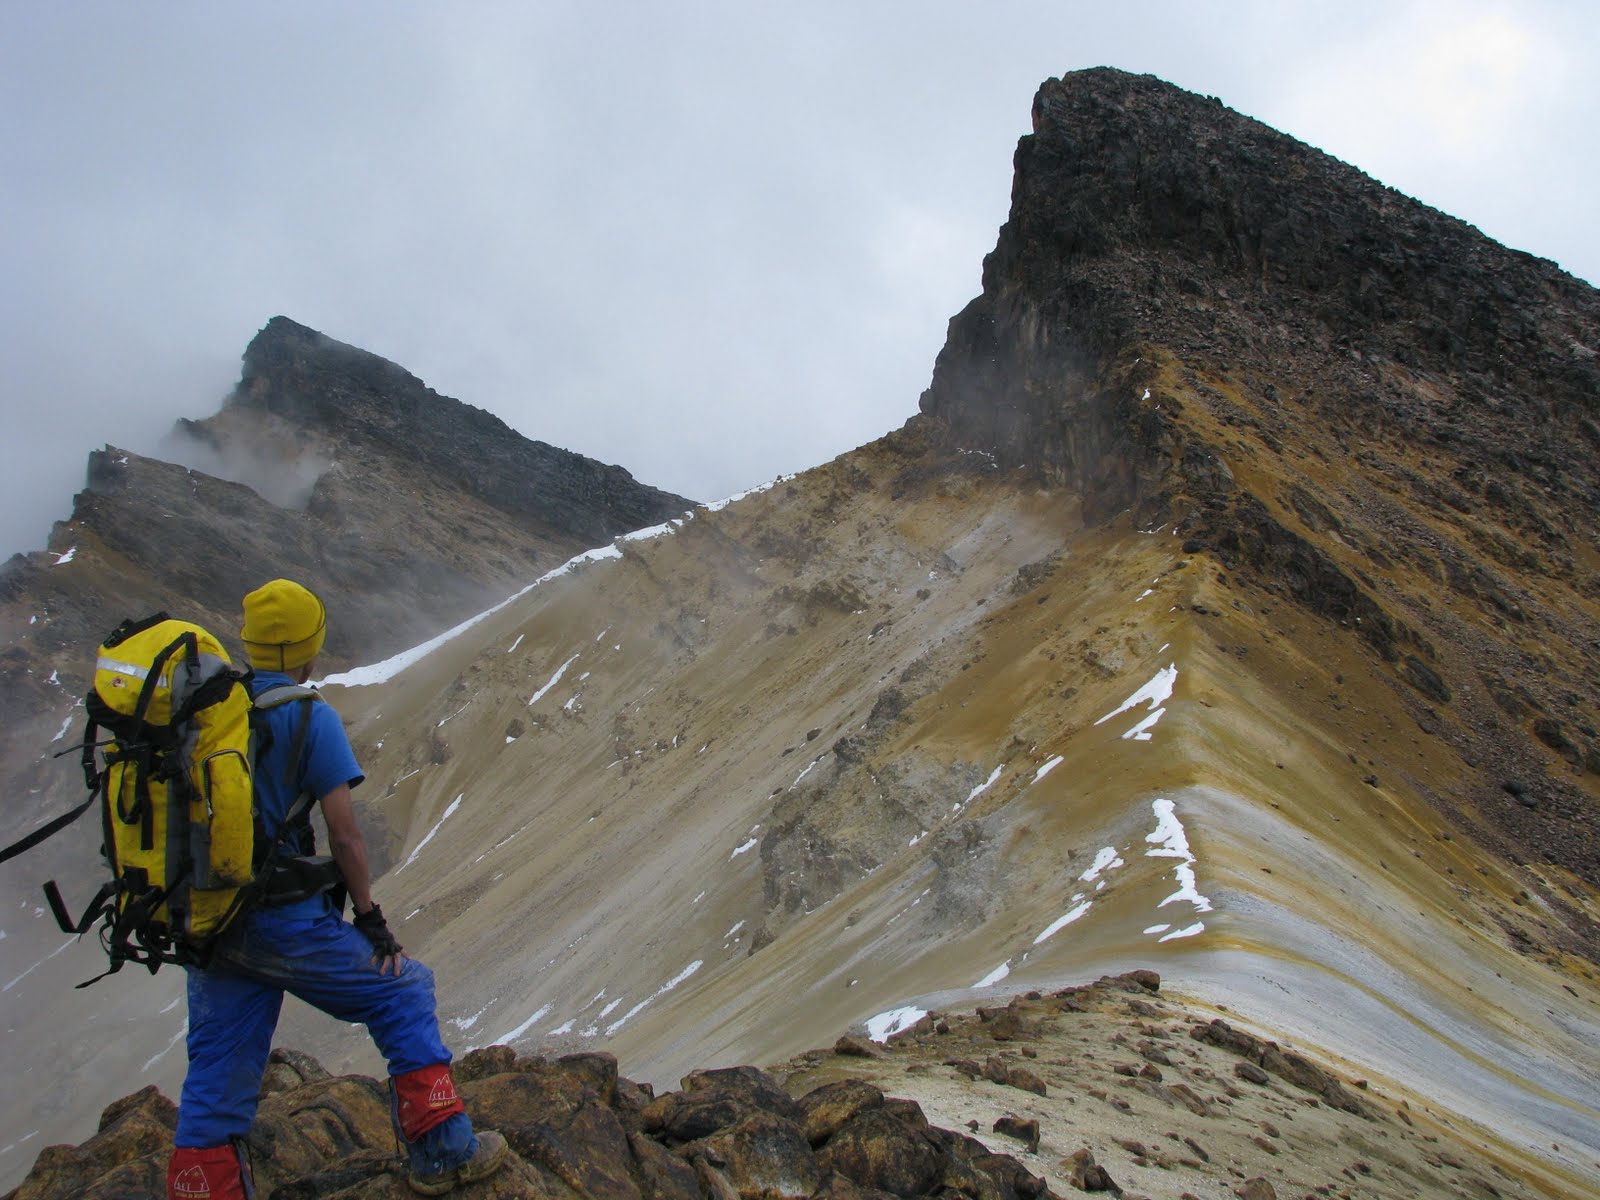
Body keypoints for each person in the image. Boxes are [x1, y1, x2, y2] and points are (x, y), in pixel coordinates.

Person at [166, 579, 507, 1199]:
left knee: (215, 1074)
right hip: (282, 920)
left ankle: (198, 1189)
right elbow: (345, 837)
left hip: (212, 923)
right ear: (309, 649)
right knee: (404, 989)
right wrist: (371, 918)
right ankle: (445, 1152)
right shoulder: (306, 715)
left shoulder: (214, 714)